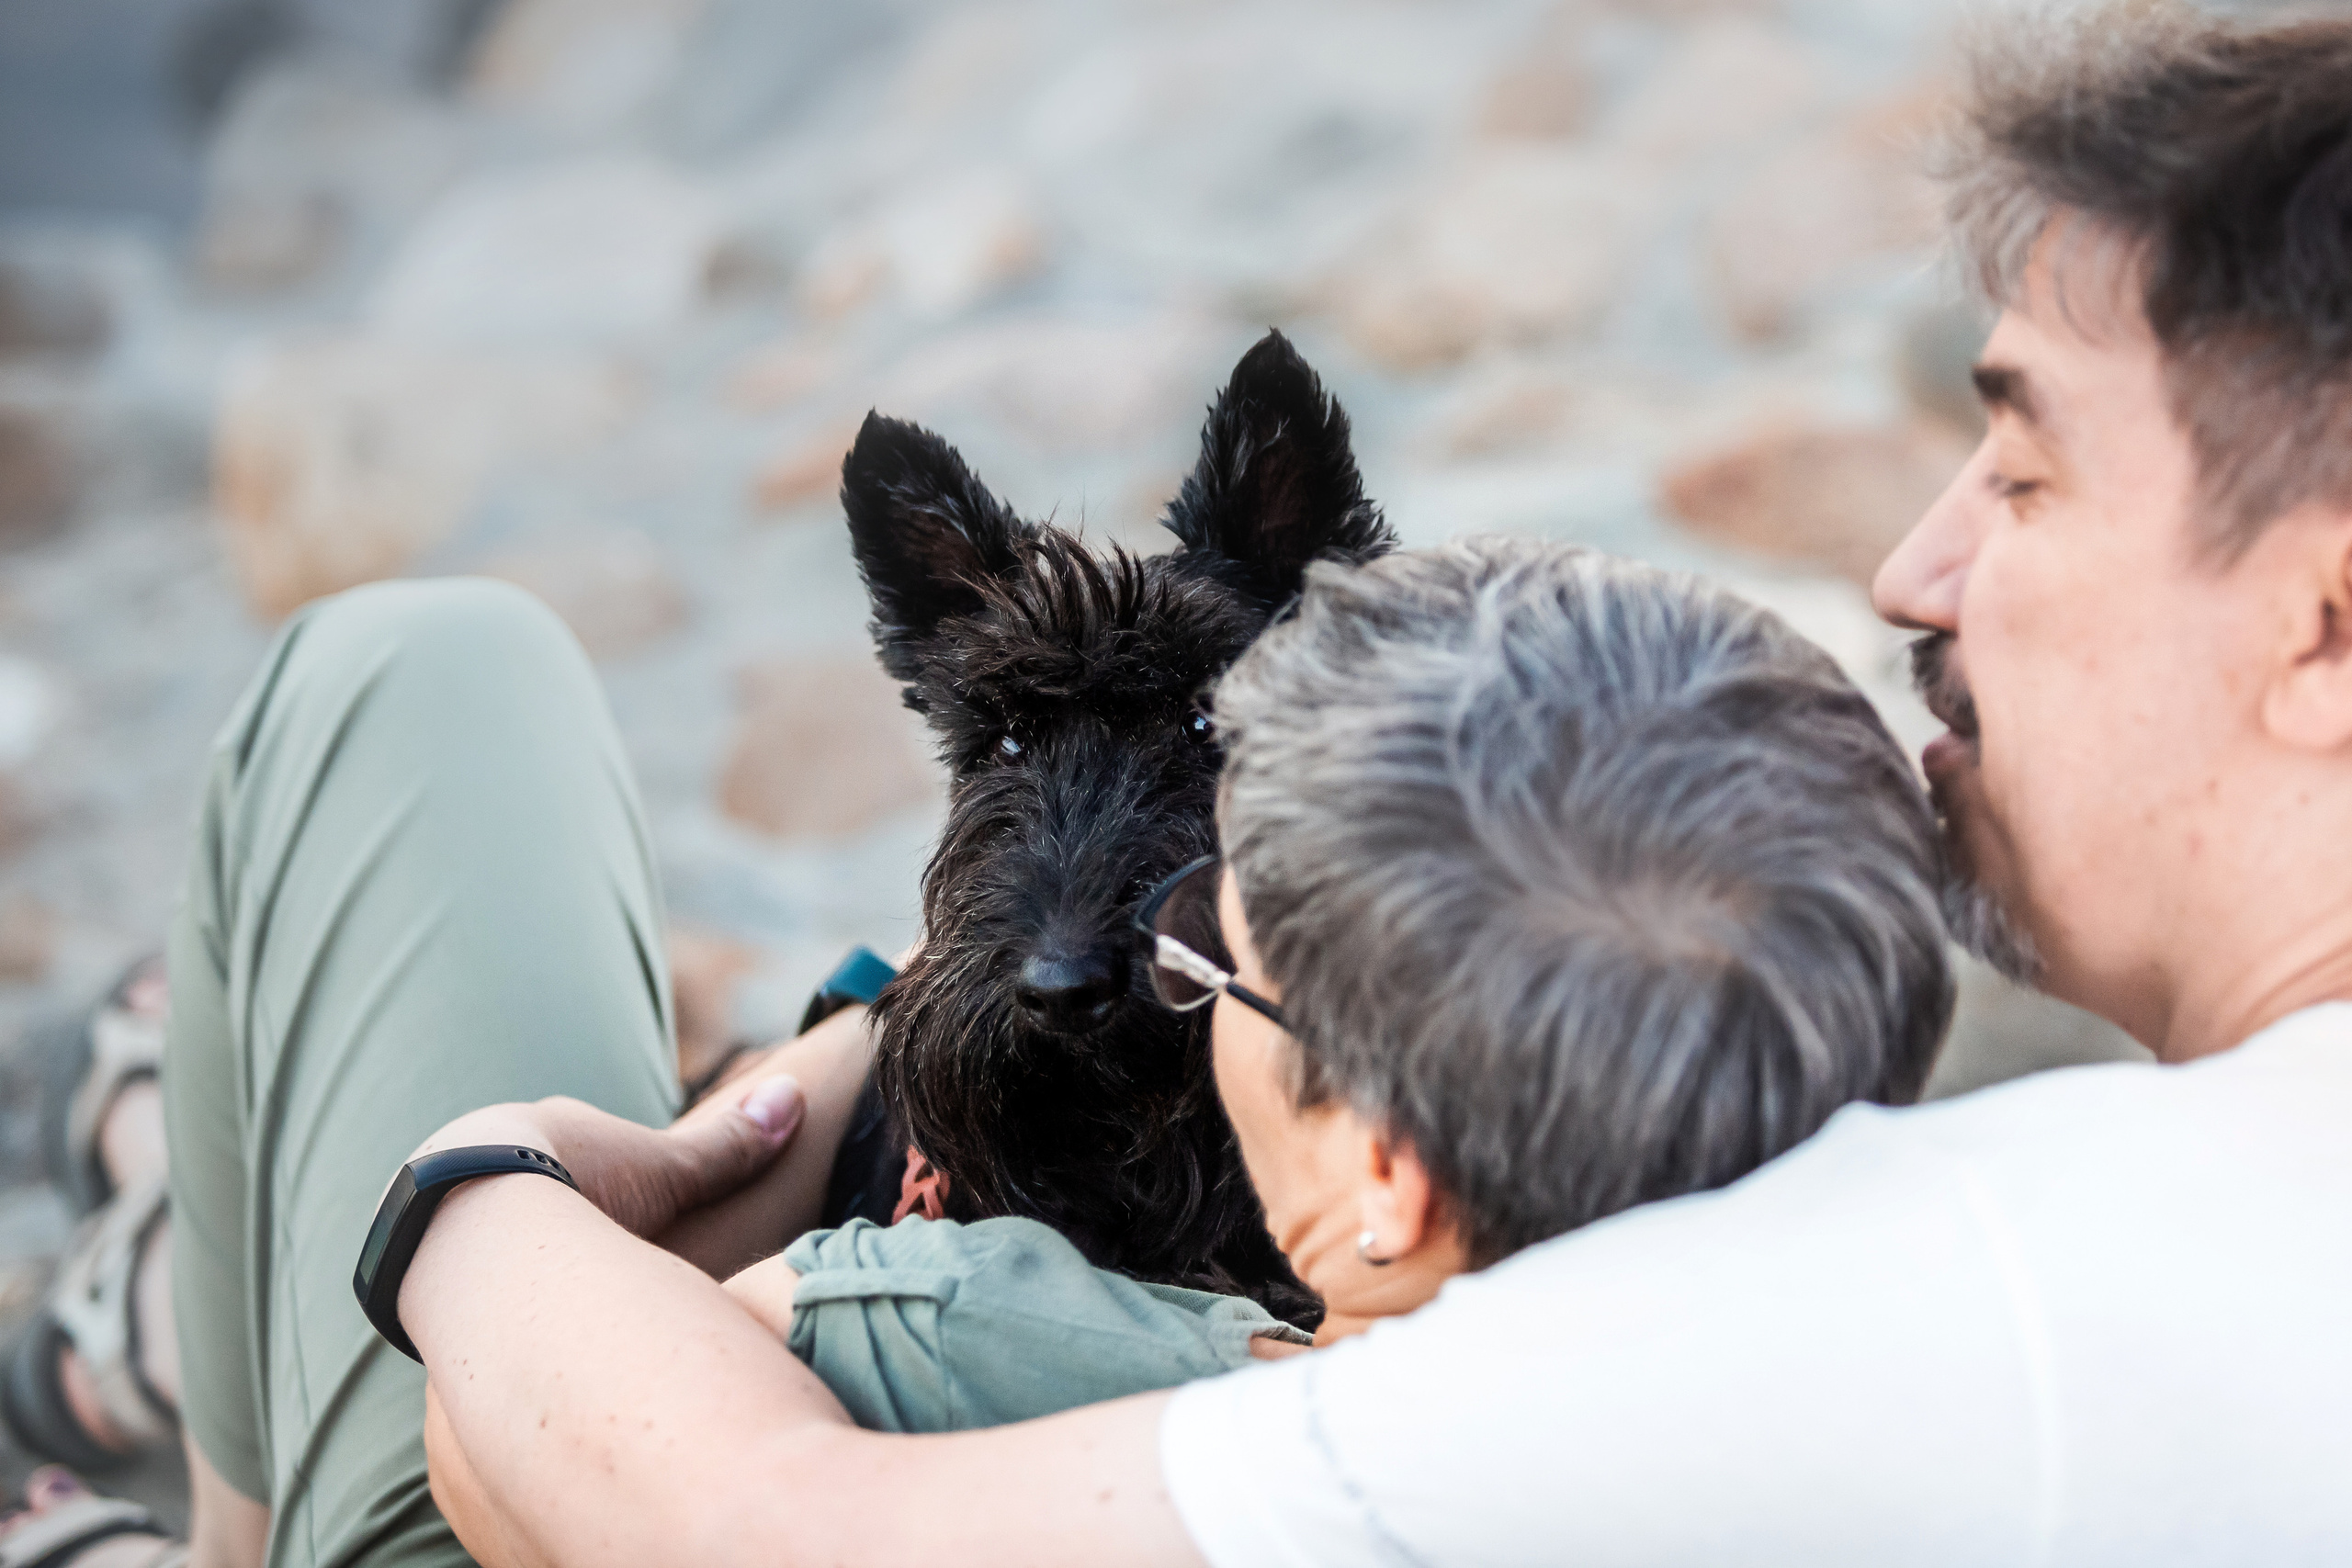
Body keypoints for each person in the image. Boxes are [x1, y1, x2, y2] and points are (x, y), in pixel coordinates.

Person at [10, 1, 2352, 1562]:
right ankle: (157, 1194)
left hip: (594, 1451)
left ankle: (190, 1421)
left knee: (410, 674)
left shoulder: (1928, 1304)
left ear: (2320, 624)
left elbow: (701, 1501)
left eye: (2020, 471)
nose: (1908, 566)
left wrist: (487, 1183)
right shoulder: (2000, 1184)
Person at [711, 536, 1952, 1435]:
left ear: (1388, 1173)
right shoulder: (1844, 1355)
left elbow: (681, 1348)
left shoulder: (941, 1327)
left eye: (1216, 964)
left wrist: (784, 1073)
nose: (1165, 963)